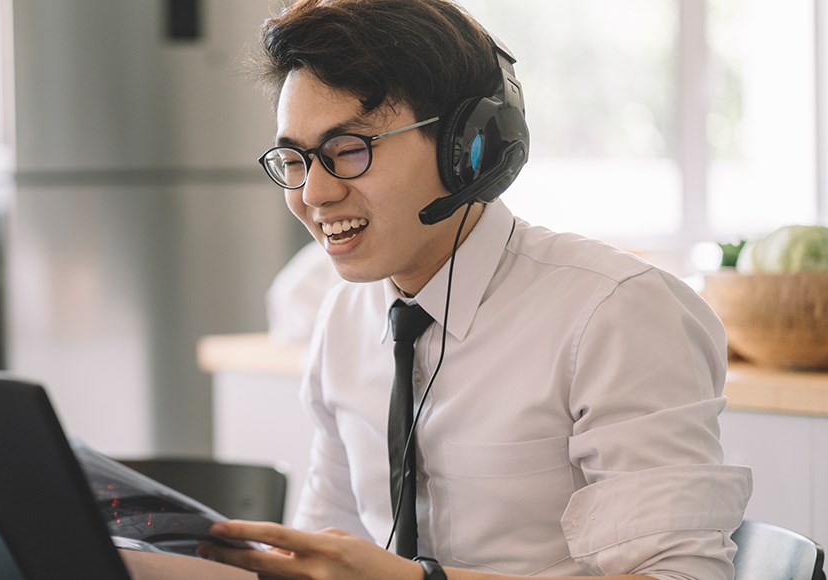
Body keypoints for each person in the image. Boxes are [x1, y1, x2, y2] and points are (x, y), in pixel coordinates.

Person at [196, 1, 753, 579]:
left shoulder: (616, 314)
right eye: (295, 159)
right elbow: (322, 547)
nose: (313, 192)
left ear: (467, 148)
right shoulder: (342, 315)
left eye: (346, 151)